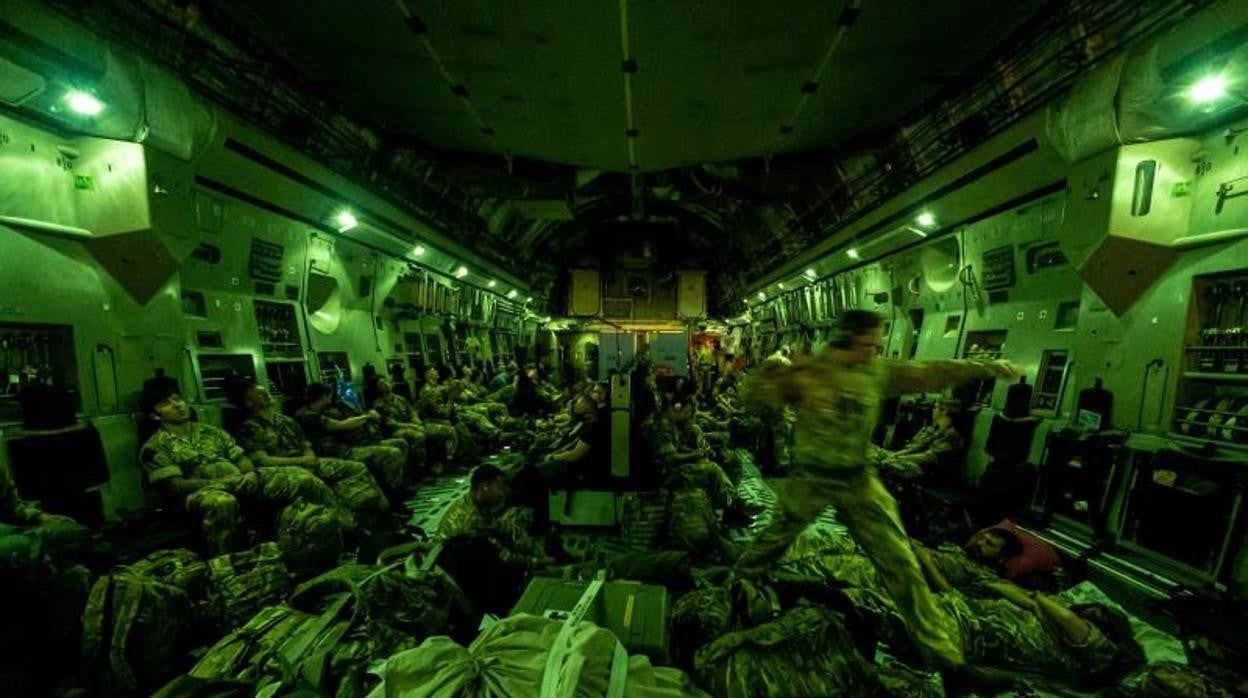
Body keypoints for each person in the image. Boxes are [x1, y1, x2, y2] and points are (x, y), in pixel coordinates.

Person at [735, 309, 1018, 669]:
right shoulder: (811, 372)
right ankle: (734, 591)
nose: (874, 350)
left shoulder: (875, 373)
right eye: (869, 343)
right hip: (812, 478)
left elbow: (930, 372)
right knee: (772, 542)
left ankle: (947, 660)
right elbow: (753, 398)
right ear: (847, 338)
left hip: (858, 480)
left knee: (902, 563)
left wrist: (986, 368)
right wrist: (772, 374)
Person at [140, 385, 338, 554]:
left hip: (237, 480)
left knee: (298, 477)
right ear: (154, 414)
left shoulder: (211, 432)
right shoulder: (155, 446)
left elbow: (242, 460)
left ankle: (328, 529)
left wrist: (247, 476)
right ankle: (229, 560)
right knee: (222, 502)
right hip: (197, 493)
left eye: (178, 399)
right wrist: (224, 483)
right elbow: (175, 486)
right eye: (166, 403)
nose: (177, 405)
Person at [234, 382, 389, 519]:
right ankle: (349, 522)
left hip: (307, 461)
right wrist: (302, 461)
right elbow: (262, 460)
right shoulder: (249, 427)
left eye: (265, 391)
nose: (265, 394)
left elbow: (305, 445)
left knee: (358, 469)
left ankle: (381, 511)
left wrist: (310, 458)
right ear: (249, 402)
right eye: (259, 394)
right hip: (285, 470)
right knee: (316, 484)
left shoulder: (286, 420)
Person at [437, 464, 554, 571]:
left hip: (464, 554)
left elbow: (502, 527)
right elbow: (502, 555)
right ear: (485, 487)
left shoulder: (473, 500)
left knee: (516, 517)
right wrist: (535, 561)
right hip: (457, 566)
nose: (502, 494)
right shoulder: (472, 520)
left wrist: (535, 547)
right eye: (499, 488)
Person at [296, 382, 408, 493]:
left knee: (401, 443)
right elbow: (341, 425)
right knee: (392, 452)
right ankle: (395, 493)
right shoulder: (306, 415)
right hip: (337, 453)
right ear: (324, 396)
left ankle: (404, 484)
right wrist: (367, 416)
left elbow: (348, 420)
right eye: (329, 395)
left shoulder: (324, 410)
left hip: (348, 445)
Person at [371, 376, 456, 473]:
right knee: (419, 436)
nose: (386, 384)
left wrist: (417, 422)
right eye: (382, 383)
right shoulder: (379, 405)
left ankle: (447, 461)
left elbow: (412, 413)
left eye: (386, 381)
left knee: (447, 430)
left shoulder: (400, 399)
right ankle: (422, 467)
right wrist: (412, 426)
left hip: (414, 425)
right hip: (396, 430)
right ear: (378, 389)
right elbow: (392, 423)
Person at [872, 397, 967, 480]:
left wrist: (896, 458)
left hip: (928, 473)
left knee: (885, 463)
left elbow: (928, 457)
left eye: (935, 408)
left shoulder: (952, 435)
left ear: (944, 411)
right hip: (914, 463)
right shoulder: (937, 430)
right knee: (875, 452)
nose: (933, 411)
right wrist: (895, 455)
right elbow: (915, 448)